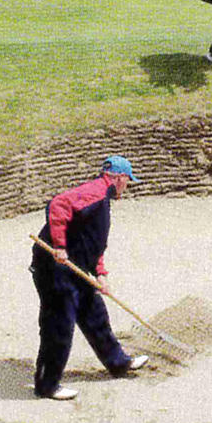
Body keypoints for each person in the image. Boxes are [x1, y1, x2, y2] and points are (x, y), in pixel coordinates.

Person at [29, 156, 150, 400]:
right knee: (59, 326)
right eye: (128, 181)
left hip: (77, 268)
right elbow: (58, 205)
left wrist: (101, 274)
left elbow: (93, 243)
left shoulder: (102, 200)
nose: (127, 187)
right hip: (55, 270)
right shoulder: (94, 193)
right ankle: (47, 385)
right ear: (119, 178)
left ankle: (118, 363)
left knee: (94, 313)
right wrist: (60, 245)